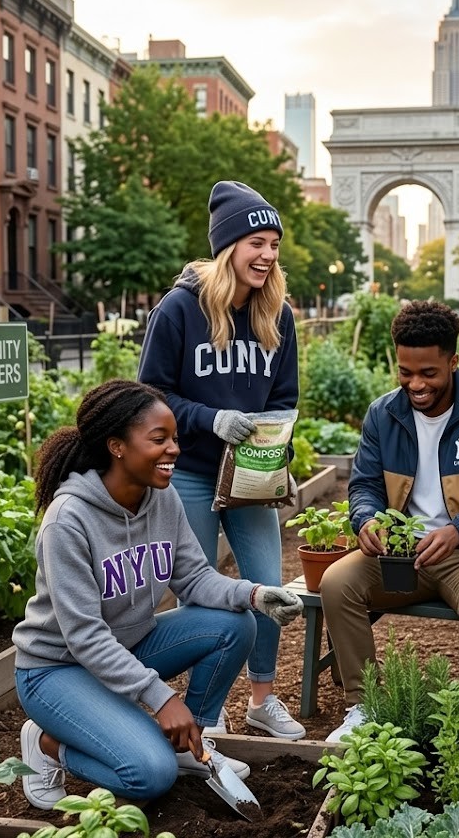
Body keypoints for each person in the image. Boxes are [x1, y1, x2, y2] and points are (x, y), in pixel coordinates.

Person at [13, 379, 303, 810]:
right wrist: (162, 698)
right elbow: (85, 636)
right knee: (150, 774)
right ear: (117, 446)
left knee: (235, 624)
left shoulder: (161, 499)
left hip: (129, 647)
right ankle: (50, 745)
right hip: (57, 670)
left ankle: (193, 745)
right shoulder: (68, 521)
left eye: (175, 438)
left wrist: (255, 594)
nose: (174, 450)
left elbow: (195, 580)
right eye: (159, 439)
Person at [137, 180, 305, 740]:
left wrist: (277, 449)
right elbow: (150, 397)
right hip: (188, 471)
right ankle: (201, 710)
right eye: (257, 241)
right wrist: (210, 419)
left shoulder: (276, 315)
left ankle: (262, 698)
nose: (268, 255)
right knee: (203, 594)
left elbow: (283, 396)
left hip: (252, 473)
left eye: (275, 244)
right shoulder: (179, 310)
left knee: (267, 587)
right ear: (228, 245)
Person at [319, 300, 459, 742]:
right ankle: (365, 708)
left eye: (428, 373)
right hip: (400, 553)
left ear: (453, 362)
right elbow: (364, 486)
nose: (416, 384)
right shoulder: (383, 414)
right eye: (405, 372)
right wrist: (365, 520)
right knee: (338, 583)